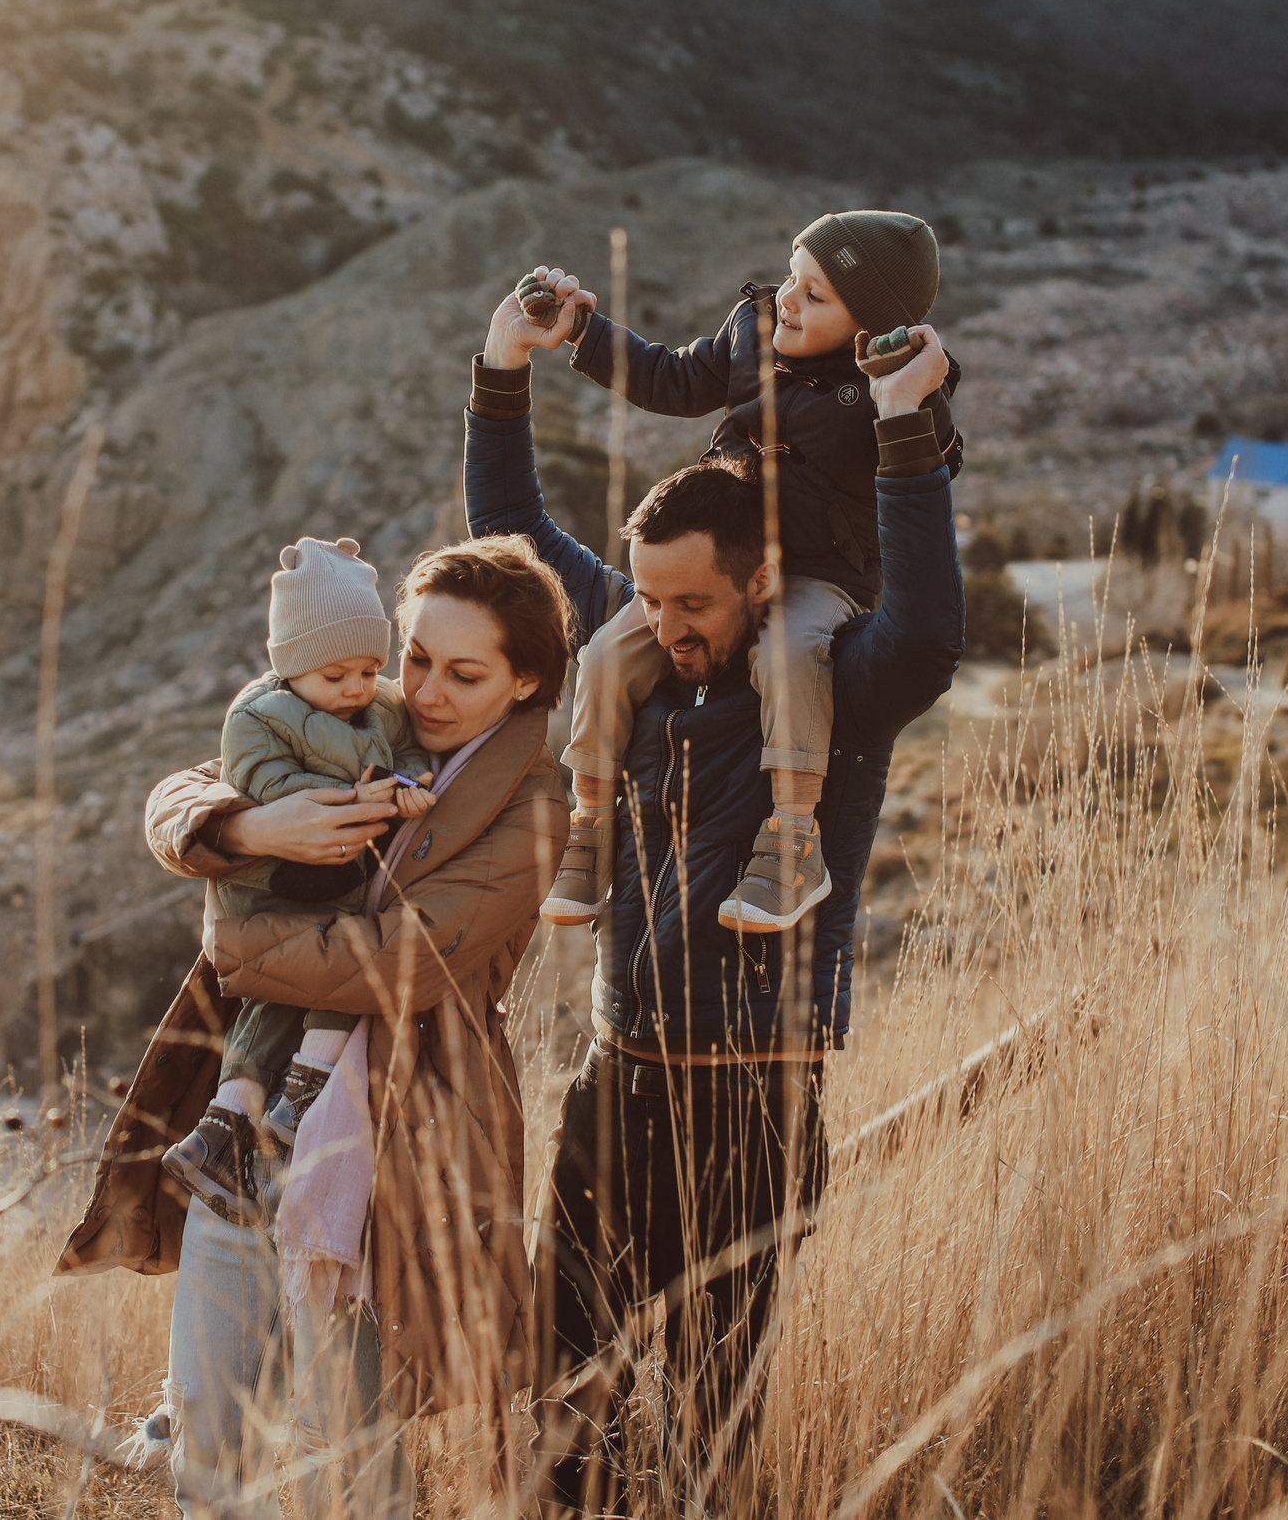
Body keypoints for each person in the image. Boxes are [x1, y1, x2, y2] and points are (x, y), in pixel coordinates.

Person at [464, 279, 964, 1515]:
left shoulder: (842, 683)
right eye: (650, 597)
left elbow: (932, 626)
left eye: (694, 603)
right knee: (556, 1409)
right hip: (612, 1083)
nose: (666, 622)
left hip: (749, 1105)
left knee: (696, 1430)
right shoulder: (634, 644)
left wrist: (904, 425)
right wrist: (503, 368)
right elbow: (512, 526)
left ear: (760, 582)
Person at [56, 538, 571, 1520]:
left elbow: (396, 962)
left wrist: (240, 944)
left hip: (390, 1154)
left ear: (527, 679)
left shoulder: (536, 805)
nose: (425, 689)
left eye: (465, 674)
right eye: (415, 656)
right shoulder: (359, 715)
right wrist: (246, 832)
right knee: (207, 1403)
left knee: (347, 1435)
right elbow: (181, 794)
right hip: (242, 1120)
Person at [517, 211, 965, 936]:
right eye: (793, 275)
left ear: (870, 326)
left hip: (819, 573)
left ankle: (793, 838)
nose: (787, 297)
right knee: (604, 653)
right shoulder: (751, 332)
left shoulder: (881, 386)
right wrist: (581, 331)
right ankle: (592, 819)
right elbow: (671, 376)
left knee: (791, 656)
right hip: (720, 555)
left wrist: (905, 398)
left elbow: (932, 460)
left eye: (816, 295)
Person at [159, 535, 436, 1228]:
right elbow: (265, 784)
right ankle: (249, 1114)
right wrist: (347, 794)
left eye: (370, 668)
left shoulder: (384, 705)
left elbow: (406, 752)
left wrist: (408, 783)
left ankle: (253, 1119)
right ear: (291, 666)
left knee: (327, 964)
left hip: (341, 874)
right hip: (274, 881)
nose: (356, 687)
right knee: (294, 975)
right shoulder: (258, 716)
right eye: (335, 673)